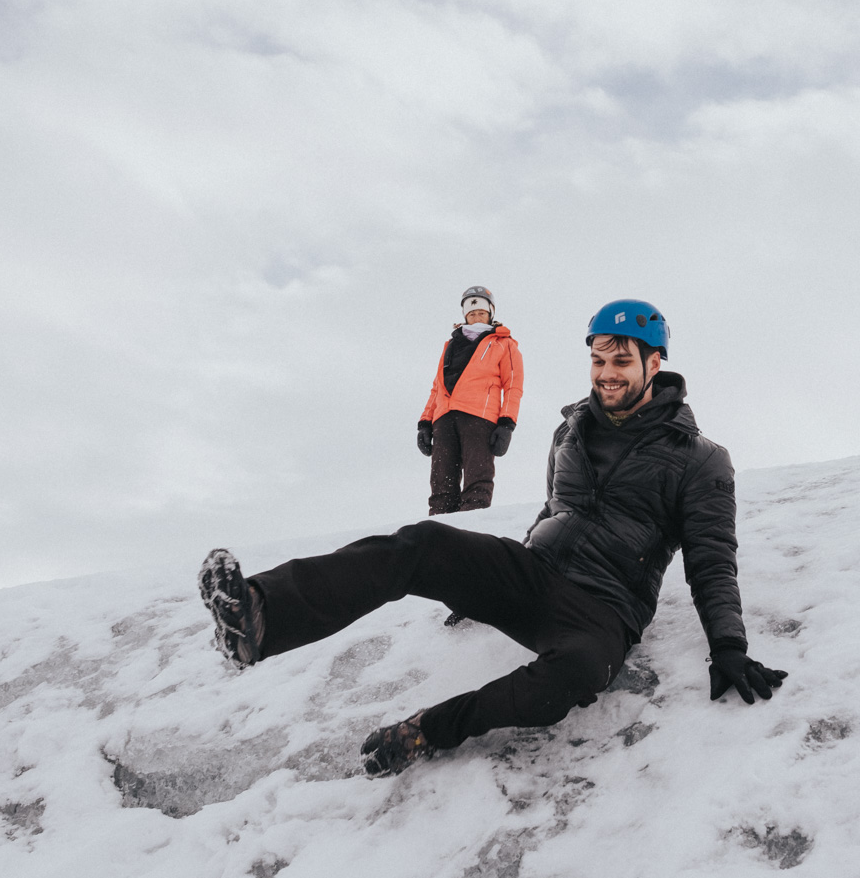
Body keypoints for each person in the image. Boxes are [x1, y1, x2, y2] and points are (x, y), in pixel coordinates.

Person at [197, 300, 787, 777]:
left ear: (655, 364)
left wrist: (728, 645)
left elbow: (713, 560)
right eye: (598, 360)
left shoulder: (701, 458)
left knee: (581, 671)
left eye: (622, 362)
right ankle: (261, 616)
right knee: (426, 543)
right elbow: (556, 508)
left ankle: (429, 730)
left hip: (604, 608)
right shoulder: (571, 429)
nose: (607, 374)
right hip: (534, 574)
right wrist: (475, 583)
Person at [416, 286, 523, 515]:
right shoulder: (451, 344)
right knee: (441, 482)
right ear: (465, 315)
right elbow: (437, 387)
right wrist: (425, 422)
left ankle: (472, 533)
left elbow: (513, 385)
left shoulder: (504, 343)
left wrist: (507, 424)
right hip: (444, 419)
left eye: (481, 312)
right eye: (471, 313)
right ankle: (439, 531)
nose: (476, 317)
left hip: (479, 417)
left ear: (490, 314)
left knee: (477, 479)